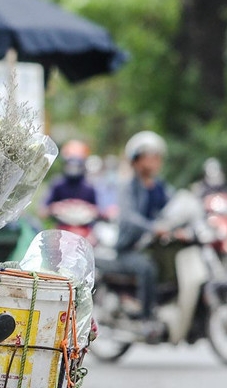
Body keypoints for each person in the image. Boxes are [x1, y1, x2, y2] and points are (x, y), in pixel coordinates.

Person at [111, 130, 175, 328]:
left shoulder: (160, 187)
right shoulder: (128, 187)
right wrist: (153, 227)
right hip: (129, 249)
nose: (155, 161)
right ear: (136, 161)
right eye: (150, 156)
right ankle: (146, 318)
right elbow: (129, 217)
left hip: (153, 247)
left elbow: (174, 206)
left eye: (157, 157)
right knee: (147, 268)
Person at [43, 139, 98, 214]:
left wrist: (86, 208)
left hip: (84, 224)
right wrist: (55, 208)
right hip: (60, 224)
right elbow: (43, 210)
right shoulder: (58, 184)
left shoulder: (89, 187)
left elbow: (96, 210)